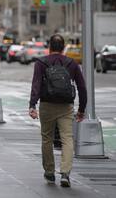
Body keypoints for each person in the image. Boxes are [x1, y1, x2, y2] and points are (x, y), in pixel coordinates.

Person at [29, 34, 86, 188]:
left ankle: (49, 171)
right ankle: (65, 173)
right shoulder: (71, 63)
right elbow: (81, 87)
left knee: (47, 138)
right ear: (63, 48)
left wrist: (32, 105)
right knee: (67, 138)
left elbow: (36, 85)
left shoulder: (41, 63)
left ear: (49, 47)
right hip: (66, 106)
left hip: (47, 105)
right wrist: (81, 109)